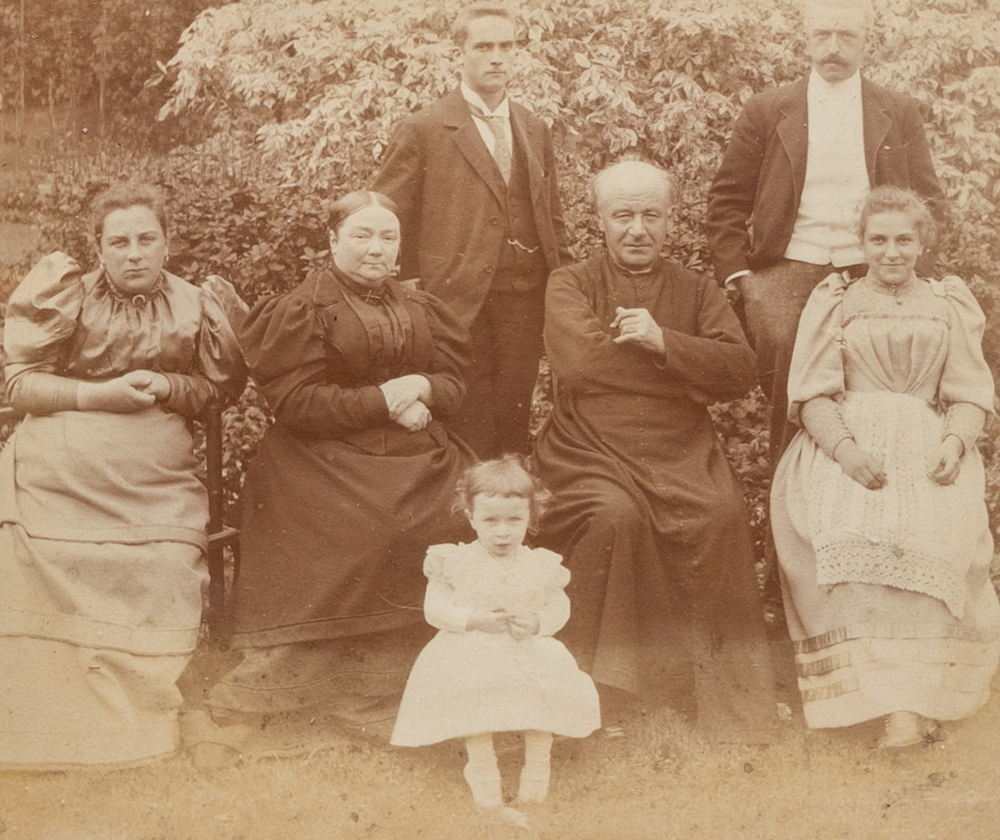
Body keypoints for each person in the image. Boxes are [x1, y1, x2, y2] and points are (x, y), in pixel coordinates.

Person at [0, 182, 247, 769]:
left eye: (146, 239)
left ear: (168, 243)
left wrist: (167, 386)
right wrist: (99, 393)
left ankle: (137, 711)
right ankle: (34, 716)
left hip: (151, 464)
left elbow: (219, 390)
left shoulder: (195, 304)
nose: (133, 253)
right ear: (98, 247)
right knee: (27, 550)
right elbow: (19, 384)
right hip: (59, 456)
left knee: (161, 559)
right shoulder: (67, 296)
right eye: (119, 242)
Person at [205, 191, 474, 725]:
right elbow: (297, 403)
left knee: (465, 510)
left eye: (388, 237)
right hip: (322, 454)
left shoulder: (419, 306)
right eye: (362, 235)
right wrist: (384, 403)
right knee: (378, 527)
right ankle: (338, 674)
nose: (377, 249)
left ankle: (438, 666)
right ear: (332, 241)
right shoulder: (302, 309)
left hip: (417, 452)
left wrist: (421, 383)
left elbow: (455, 384)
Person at [533, 160, 779, 742]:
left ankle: (721, 702)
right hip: (587, 444)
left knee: (719, 516)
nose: (637, 229)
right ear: (600, 221)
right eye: (623, 215)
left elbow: (740, 369)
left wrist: (663, 339)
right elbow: (581, 363)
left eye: (650, 214)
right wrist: (682, 367)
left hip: (680, 443)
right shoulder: (569, 282)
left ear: (671, 220)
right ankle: (599, 694)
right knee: (614, 517)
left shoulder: (695, 289)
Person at [771, 186, 999, 747]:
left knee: (935, 543)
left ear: (923, 243)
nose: (891, 251)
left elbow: (970, 393)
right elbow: (812, 397)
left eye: (904, 239)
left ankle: (919, 703)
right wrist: (847, 452)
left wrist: (954, 441)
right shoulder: (836, 300)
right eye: (878, 239)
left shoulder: (948, 302)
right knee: (850, 546)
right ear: (862, 243)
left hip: (928, 449)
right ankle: (874, 699)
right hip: (845, 449)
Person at [706, 0, 944, 467]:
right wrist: (740, 277)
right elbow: (727, 199)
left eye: (846, 36)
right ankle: (787, 507)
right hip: (787, 264)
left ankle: (872, 499)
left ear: (865, 41)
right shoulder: (767, 109)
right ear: (807, 38)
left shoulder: (896, 110)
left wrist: (923, 274)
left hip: (873, 265)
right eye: (822, 35)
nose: (833, 47)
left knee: (875, 380)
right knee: (789, 376)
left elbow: (928, 201)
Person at [371, 2, 570, 458]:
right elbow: (384, 216)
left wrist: (566, 284)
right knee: (468, 419)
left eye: (507, 46)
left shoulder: (533, 127)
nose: (497, 57)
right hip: (456, 306)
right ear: (459, 52)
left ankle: (508, 520)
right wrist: (406, 291)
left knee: (514, 416)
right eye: (484, 46)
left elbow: (551, 217)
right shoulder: (424, 128)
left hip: (525, 299)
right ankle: (468, 519)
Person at [391, 456, 600, 827]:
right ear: (470, 516)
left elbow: (559, 605)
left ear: (530, 518)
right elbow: (434, 608)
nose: (502, 532)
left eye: (514, 520)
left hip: (525, 648)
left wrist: (537, 622)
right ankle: (484, 773)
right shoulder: (453, 561)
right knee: (474, 701)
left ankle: (537, 772)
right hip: (472, 647)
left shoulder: (540, 564)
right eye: (490, 521)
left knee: (545, 693)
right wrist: (472, 620)